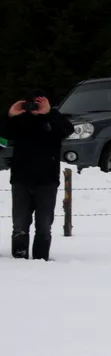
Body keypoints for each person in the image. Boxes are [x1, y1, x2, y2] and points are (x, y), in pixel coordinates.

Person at [1, 91, 74, 260]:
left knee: (44, 225)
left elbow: (68, 129)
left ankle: (41, 259)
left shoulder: (53, 122)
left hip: (47, 181)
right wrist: (10, 114)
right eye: (31, 104)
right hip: (21, 179)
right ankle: (20, 257)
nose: (34, 107)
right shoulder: (19, 122)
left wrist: (49, 113)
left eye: (38, 103)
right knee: (20, 224)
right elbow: (3, 134)